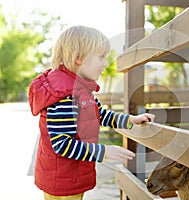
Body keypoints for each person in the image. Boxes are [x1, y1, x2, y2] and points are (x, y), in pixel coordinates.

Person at [28, 25, 155, 200]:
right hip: (63, 182)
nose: (105, 63)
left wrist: (130, 119)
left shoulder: (81, 91)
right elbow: (61, 144)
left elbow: (100, 114)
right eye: (101, 57)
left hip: (71, 176)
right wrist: (103, 152)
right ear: (79, 58)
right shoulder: (65, 96)